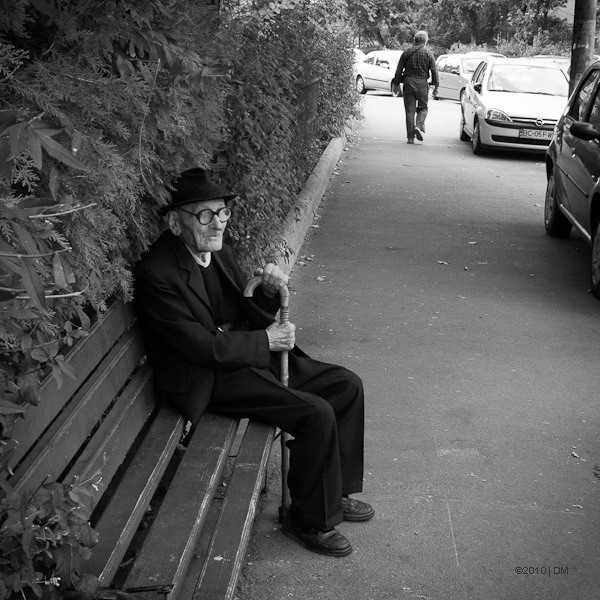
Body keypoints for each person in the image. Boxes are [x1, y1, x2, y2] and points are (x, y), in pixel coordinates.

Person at [133, 168, 374, 557]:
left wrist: (266, 292)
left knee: (346, 384)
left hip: (242, 356)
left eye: (222, 212)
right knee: (315, 413)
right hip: (208, 378)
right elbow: (199, 347)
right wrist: (265, 340)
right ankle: (308, 519)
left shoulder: (218, 251)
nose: (217, 223)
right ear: (175, 222)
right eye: (205, 215)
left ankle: (336, 491)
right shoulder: (156, 273)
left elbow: (239, 312)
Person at [392, 30, 439, 144]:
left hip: (408, 82)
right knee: (423, 108)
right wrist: (435, 85)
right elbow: (434, 71)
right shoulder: (428, 53)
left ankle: (410, 138)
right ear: (426, 41)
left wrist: (396, 83)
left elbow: (399, 69)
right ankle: (418, 126)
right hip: (422, 83)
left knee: (409, 111)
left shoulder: (406, 52)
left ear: (414, 40)